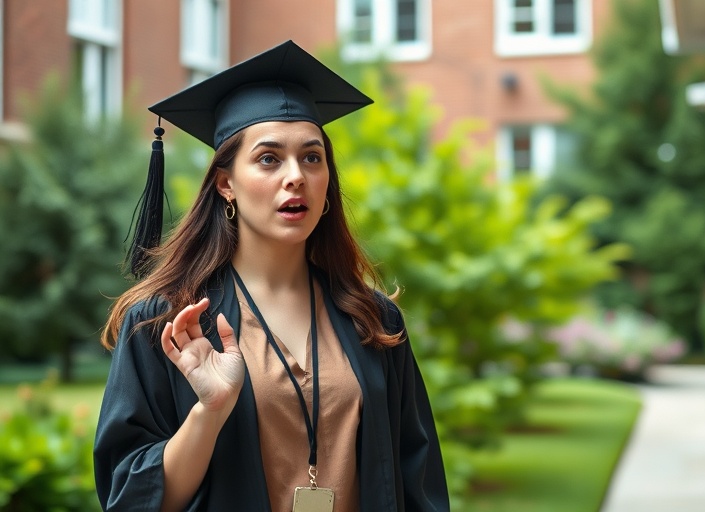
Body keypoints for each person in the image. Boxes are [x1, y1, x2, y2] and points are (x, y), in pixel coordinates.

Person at [93, 40, 449, 512]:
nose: (295, 176)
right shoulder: (168, 323)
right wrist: (209, 413)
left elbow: (418, 484)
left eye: (312, 157)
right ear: (226, 184)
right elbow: (132, 500)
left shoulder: (373, 320)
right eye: (268, 159)